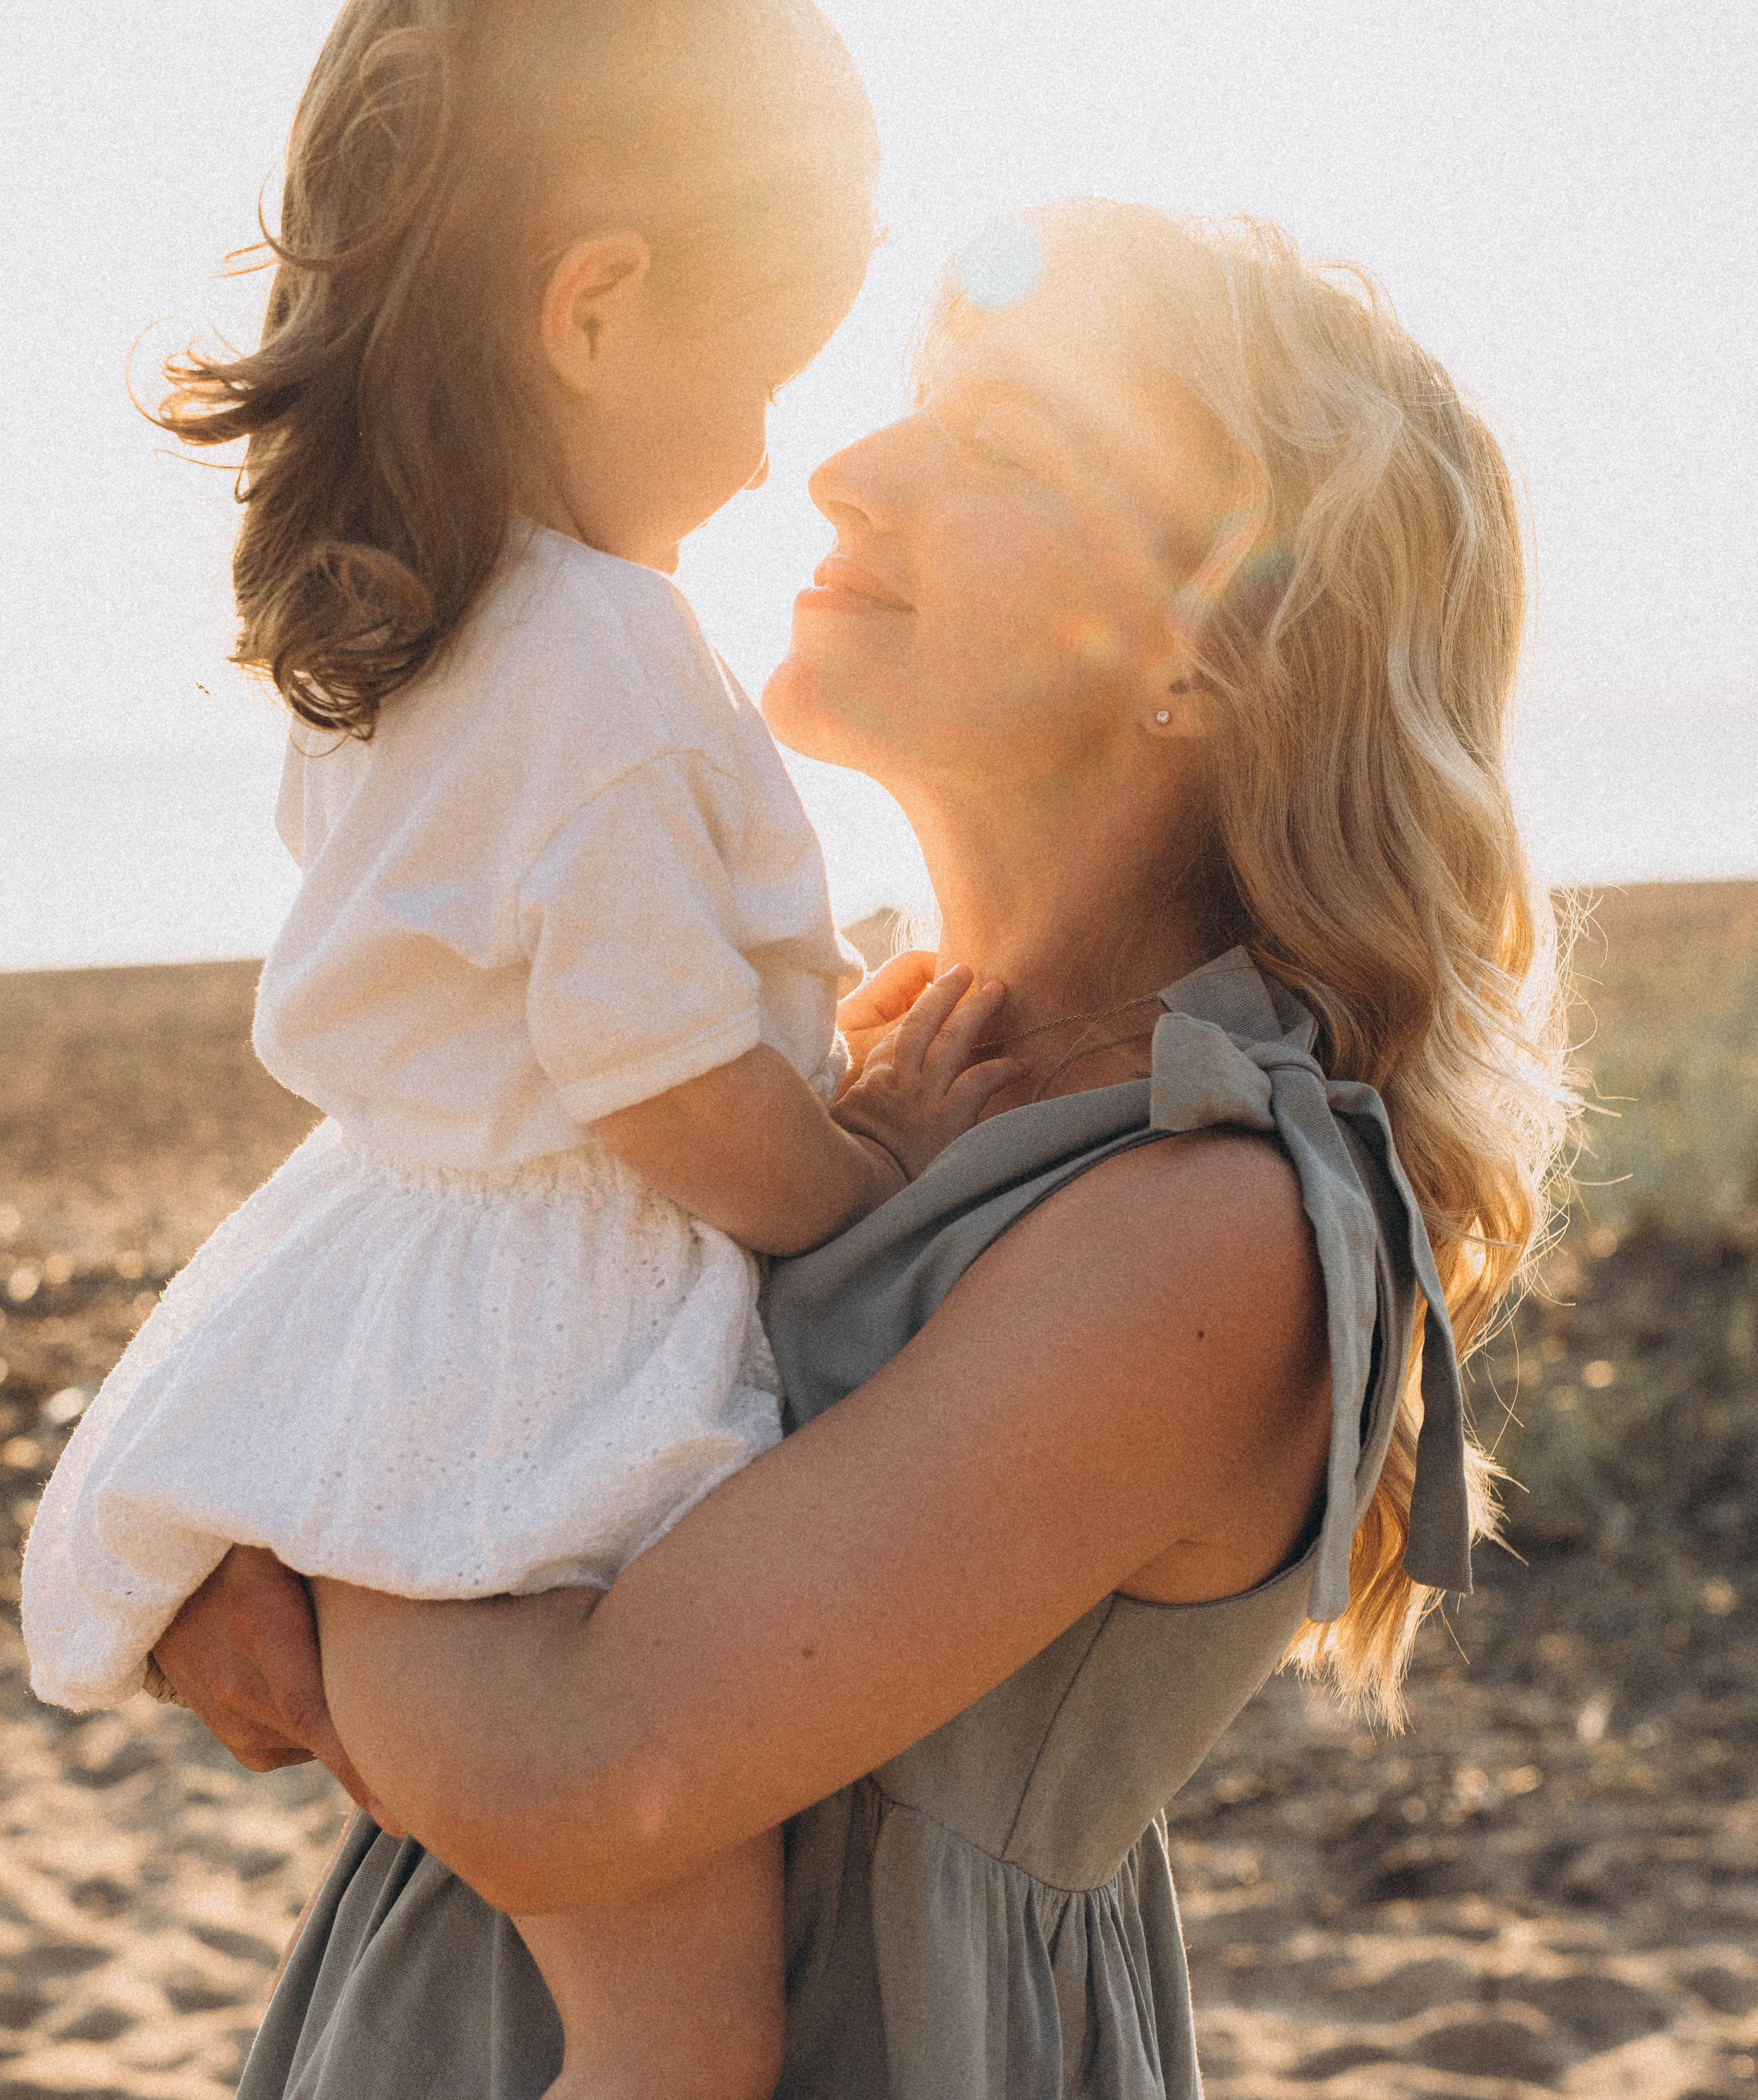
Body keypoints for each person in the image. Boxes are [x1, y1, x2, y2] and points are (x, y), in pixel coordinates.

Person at [152, 198, 1569, 2099]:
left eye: (1001, 444)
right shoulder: (800, 1066)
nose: (839, 467)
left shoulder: (1213, 1227)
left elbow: (584, 1773)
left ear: (1215, 649)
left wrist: (312, 1568)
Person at [21, 0, 1023, 2100]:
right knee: (682, 2043)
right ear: (596, 310)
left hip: (407, 1318)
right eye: (766, 374)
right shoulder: (598, 645)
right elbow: (664, 1074)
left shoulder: (422, 632)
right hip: (537, 1389)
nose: (778, 454)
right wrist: (863, 1184)